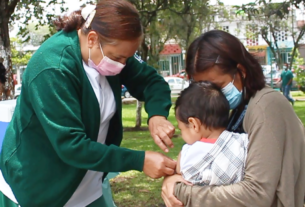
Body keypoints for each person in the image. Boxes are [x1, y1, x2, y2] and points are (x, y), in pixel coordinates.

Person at [0, 1, 177, 207]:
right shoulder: (53, 68)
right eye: (118, 57)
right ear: (92, 38)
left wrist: (157, 114)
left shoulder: (110, 51)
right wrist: (139, 160)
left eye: (126, 59)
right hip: (40, 188)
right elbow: (71, 145)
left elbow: (151, 82)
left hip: (86, 184)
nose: (122, 65)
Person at [161, 30, 305, 207]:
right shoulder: (238, 109)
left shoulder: (266, 106)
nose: (210, 95)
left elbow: (256, 193)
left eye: (216, 86)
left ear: (241, 71)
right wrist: (176, 177)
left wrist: (181, 191)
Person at [175, 81, 248, 188]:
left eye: (181, 129)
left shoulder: (189, 152)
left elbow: (181, 171)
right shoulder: (242, 141)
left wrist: (181, 155)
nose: (182, 135)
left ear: (194, 124)